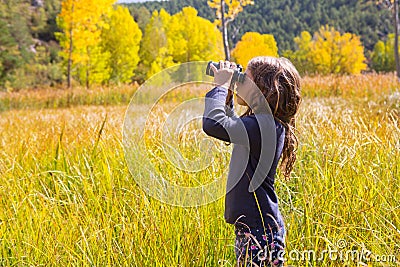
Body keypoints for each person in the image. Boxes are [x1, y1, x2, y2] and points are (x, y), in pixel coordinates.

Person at [202, 56, 301, 267]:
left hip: (260, 231)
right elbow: (227, 125)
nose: (239, 83)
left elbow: (213, 124)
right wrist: (227, 94)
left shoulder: (264, 126)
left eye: (244, 79)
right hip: (256, 229)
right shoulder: (264, 124)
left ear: (264, 89)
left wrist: (220, 85)